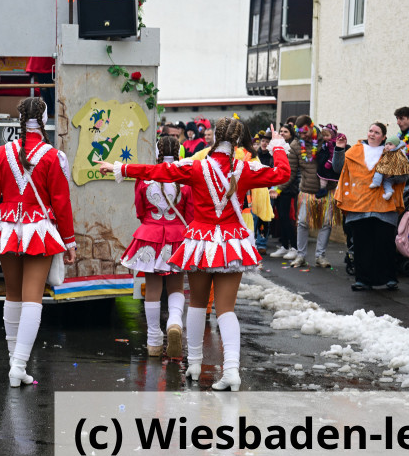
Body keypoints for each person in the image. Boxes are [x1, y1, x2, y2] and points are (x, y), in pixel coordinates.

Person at [97, 117, 291, 391]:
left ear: (214, 139)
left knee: (198, 303)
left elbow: (158, 172)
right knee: (226, 310)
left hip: (200, 242)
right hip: (231, 244)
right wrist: (279, 147)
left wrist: (120, 168)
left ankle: (196, 364)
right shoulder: (247, 168)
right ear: (237, 142)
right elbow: (282, 174)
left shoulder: (196, 166)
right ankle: (232, 370)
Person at [0, 97, 76, 387]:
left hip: (5, 229)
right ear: (44, 118)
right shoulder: (53, 156)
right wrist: (69, 242)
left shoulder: (1, 153)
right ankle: (18, 366)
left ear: (19, 118)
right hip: (38, 230)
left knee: (12, 294)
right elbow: (62, 203)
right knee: (33, 296)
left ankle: (12, 362)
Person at [120, 135, 193, 357]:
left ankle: (153, 341)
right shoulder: (185, 180)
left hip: (149, 236)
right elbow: (189, 216)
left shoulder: (144, 178)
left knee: (151, 289)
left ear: (157, 152)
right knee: (177, 287)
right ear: (179, 152)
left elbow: (140, 211)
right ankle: (174, 323)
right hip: (177, 237)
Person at [333, 122, 404, 291]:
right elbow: (337, 169)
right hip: (358, 205)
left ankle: (389, 278)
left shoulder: (392, 151)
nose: (372, 134)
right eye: (370, 131)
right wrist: (339, 148)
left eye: (377, 132)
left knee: (384, 243)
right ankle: (362, 280)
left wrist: (393, 174)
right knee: (361, 244)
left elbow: (403, 177)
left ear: (384, 137)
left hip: (384, 205)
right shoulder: (355, 150)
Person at [289, 114, 340, 269]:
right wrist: (278, 188)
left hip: (327, 191)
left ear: (311, 126)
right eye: (299, 132)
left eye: (305, 132)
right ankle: (301, 255)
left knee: (326, 224)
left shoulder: (327, 139)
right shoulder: (296, 145)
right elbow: (291, 172)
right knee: (303, 223)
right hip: (307, 191)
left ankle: (320, 256)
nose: (302, 135)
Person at [268, 123, 300, 259]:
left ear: (291, 134)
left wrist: (279, 189)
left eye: (285, 131)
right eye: (280, 131)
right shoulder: (277, 146)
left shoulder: (291, 148)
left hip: (287, 189)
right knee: (280, 218)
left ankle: (294, 247)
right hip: (277, 188)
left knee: (287, 218)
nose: (282, 133)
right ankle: (285, 245)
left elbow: (289, 172)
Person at [370, 134, 409, 200]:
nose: (387, 146)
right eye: (386, 144)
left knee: (379, 170)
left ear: (396, 146)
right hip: (394, 176)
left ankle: (376, 182)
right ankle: (389, 192)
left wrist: (391, 171)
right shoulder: (392, 152)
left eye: (390, 144)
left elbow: (402, 164)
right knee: (387, 182)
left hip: (397, 174)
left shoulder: (396, 153)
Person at [315, 124, 341, 199]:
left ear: (332, 135)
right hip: (324, 163)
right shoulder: (326, 142)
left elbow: (333, 154)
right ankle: (322, 189)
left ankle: (323, 190)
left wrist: (329, 163)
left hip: (328, 164)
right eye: (323, 136)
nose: (325, 137)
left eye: (327, 136)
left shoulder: (332, 143)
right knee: (322, 177)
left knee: (324, 177)